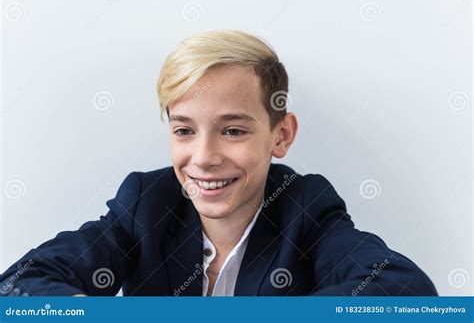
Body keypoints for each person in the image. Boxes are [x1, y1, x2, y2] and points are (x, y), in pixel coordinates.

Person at [0, 30, 437, 296]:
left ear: (280, 135)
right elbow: (17, 285)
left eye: (233, 130)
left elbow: (406, 292)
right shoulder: (146, 205)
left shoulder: (305, 209)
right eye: (184, 130)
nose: (205, 158)